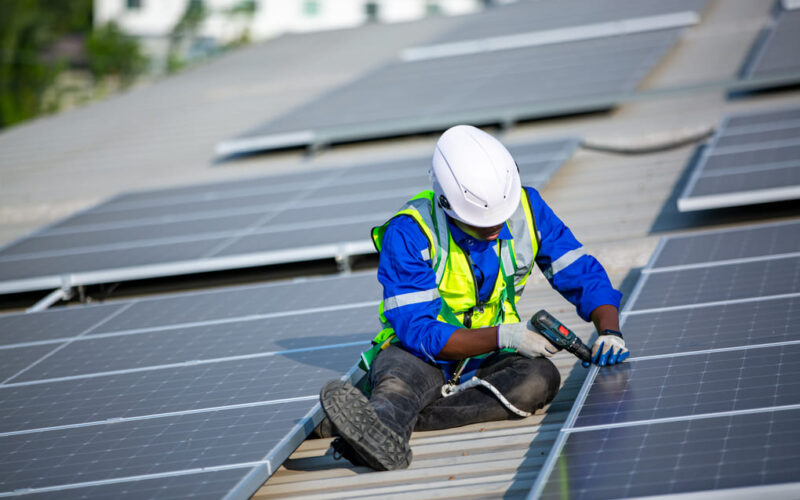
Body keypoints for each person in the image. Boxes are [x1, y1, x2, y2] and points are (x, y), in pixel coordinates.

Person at [319, 125, 629, 471]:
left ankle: (379, 423)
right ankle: (382, 425)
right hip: (421, 354)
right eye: (480, 221)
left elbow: (580, 272)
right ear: (446, 202)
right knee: (400, 382)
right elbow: (419, 332)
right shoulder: (409, 232)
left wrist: (609, 330)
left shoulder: (527, 209)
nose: (494, 227)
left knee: (539, 380)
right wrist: (505, 335)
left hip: (490, 355)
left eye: (500, 216)